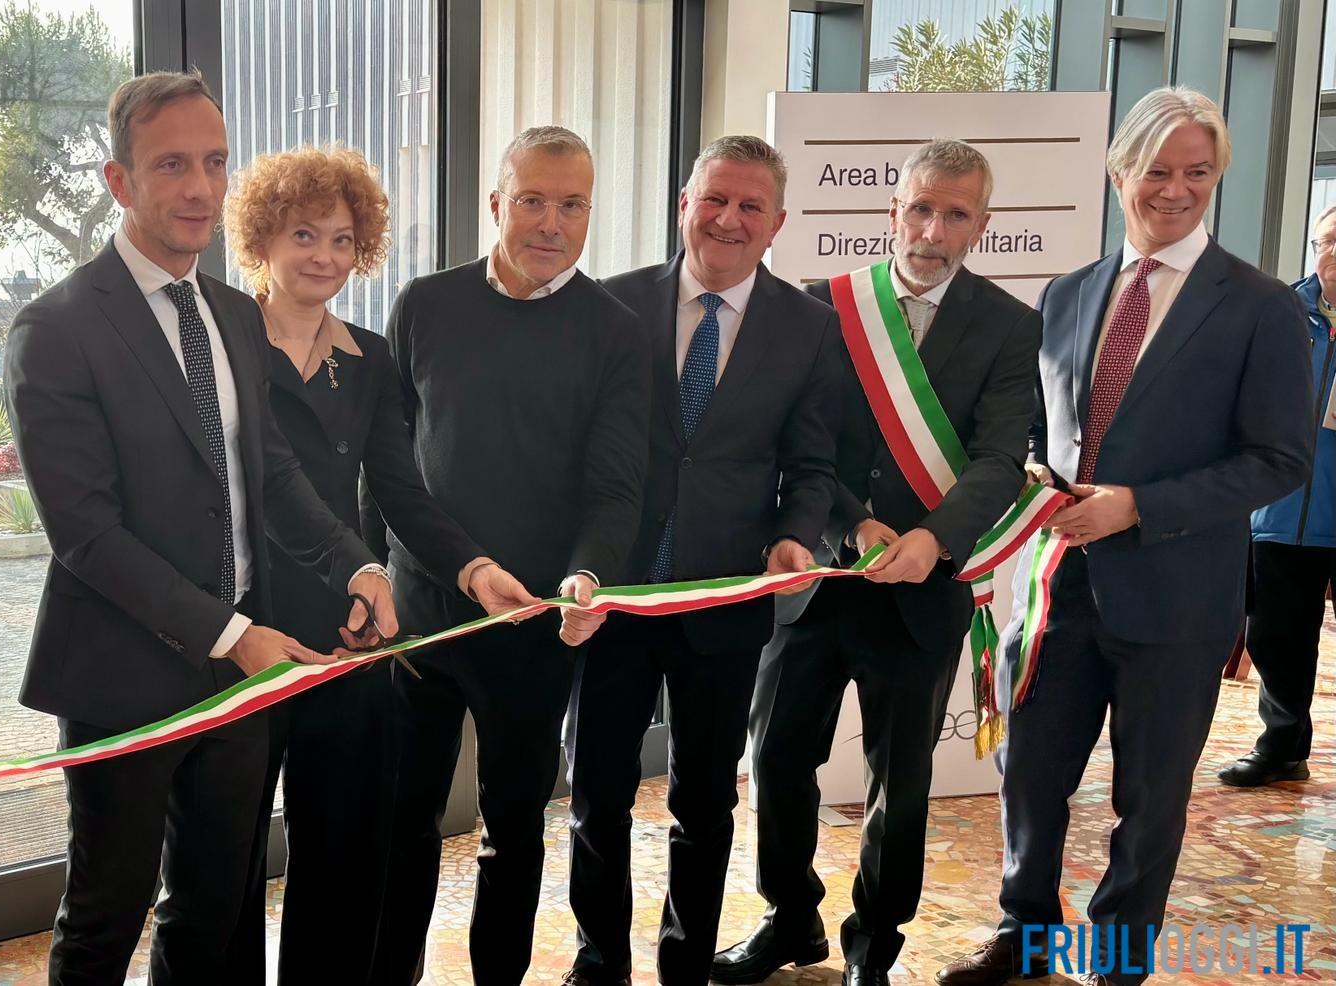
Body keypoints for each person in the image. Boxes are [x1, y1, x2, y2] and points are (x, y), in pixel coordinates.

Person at [4, 71, 395, 986]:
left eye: (214, 163)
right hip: (121, 674)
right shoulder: (56, 329)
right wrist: (234, 633)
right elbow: (87, 536)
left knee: (212, 912)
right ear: (118, 180)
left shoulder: (230, 313)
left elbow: (271, 473)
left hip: (233, 680)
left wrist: (357, 565)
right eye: (171, 164)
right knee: (105, 917)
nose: (199, 188)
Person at [938, 86, 1313, 986]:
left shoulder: (1260, 306)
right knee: (1029, 776)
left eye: (1197, 173)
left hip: (1178, 598)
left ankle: (1117, 964)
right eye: (1156, 170)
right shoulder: (1068, 293)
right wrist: (1035, 469)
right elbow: (1046, 425)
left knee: (1149, 802)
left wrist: (1139, 505)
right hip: (1056, 589)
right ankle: (1026, 939)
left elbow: (1280, 460)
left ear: (1215, 179)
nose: (1175, 190)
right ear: (1119, 175)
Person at [714, 139, 1041, 986]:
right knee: (776, 758)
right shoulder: (824, 306)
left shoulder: (1011, 325)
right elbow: (800, 442)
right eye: (920, 208)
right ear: (893, 210)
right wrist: (853, 524)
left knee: (901, 782)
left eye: (955, 214)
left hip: (924, 589)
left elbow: (1000, 458)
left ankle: (875, 945)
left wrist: (934, 539)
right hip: (821, 577)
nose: (933, 230)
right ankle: (790, 920)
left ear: (981, 225)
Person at [217, 144, 538, 984]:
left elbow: (401, 491)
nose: (324, 256)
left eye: (341, 239)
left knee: (343, 854)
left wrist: (472, 569)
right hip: (241, 630)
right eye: (303, 235)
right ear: (261, 239)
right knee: (227, 861)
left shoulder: (368, 358)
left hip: (350, 630)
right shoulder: (222, 343)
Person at [372, 125, 652, 986]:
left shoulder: (616, 333)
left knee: (514, 833)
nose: (551, 224)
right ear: (497, 203)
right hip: (417, 621)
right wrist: (381, 581)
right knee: (400, 825)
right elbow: (387, 467)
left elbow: (616, 491)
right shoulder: (424, 304)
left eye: (572, 205)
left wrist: (586, 577)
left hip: (534, 628)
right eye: (532, 200)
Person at [562, 135, 842, 986]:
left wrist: (796, 533)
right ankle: (599, 962)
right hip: (615, 595)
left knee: (706, 802)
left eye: (751, 205)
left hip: (726, 601)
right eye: (715, 198)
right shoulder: (609, 303)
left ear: (777, 223)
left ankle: (684, 967)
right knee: (597, 795)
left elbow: (813, 463)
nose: (729, 218)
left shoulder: (809, 327)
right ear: (684, 204)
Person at [1217, 204, 1336, 788]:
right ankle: (1283, 747)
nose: (1335, 254)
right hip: (1281, 512)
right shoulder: (1281, 311)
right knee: (1274, 638)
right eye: (1327, 241)